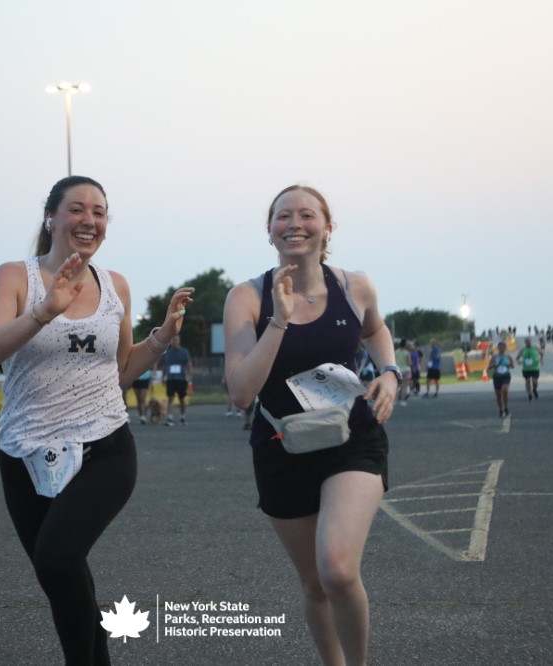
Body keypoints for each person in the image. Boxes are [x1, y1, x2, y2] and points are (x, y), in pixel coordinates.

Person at [0, 175, 193, 666]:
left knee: (57, 558)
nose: (89, 220)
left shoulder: (115, 286)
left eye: (99, 211)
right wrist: (43, 312)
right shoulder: (15, 278)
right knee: (63, 576)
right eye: (76, 209)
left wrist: (162, 337)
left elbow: (121, 371)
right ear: (50, 217)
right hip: (25, 452)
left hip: (104, 447)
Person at [223, 184, 398, 665]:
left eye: (306, 215)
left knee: (337, 569)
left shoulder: (354, 286)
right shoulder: (247, 297)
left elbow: (376, 329)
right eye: (283, 216)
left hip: (352, 438)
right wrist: (278, 321)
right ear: (270, 230)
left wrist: (389, 371)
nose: (294, 224)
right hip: (282, 447)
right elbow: (241, 393)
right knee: (315, 584)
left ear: (327, 228)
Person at [160, 334, 193, 426]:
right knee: (170, 397)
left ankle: (182, 416)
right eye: (173, 340)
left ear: (179, 341)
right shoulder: (167, 353)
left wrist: (190, 374)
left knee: (182, 398)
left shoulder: (184, 351)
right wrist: (163, 377)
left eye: (176, 340)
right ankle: (170, 417)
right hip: (170, 378)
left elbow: (189, 363)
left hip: (181, 378)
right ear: (170, 342)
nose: (175, 342)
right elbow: (164, 366)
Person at [489, 341, 515, 417]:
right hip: (497, 376)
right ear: (498, 348)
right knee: (498, 395)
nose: (501, 348)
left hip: (506, 376)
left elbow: (513, 366)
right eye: (500, 347)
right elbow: (489, 367)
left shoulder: (508, 357)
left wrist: (509, 364)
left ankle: (506, 407)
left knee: (505, 390)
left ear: (505, 348)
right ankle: (500, 409)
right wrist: (494, 365)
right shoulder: (494, 357)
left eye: (503, 347)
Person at [516, 336, 541, 401]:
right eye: (527, 341)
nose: (528, 342)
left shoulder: (535, 348)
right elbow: (517, 357)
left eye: (529, 341)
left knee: (535, 381)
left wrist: (540, 359)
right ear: (525, 342)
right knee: (527, 381)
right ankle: (529, 394)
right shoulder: (523, 349)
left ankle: (534, 389)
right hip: (526, 368)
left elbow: (541, 353)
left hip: (535, 367)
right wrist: (518, 361)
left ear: (531, 341)